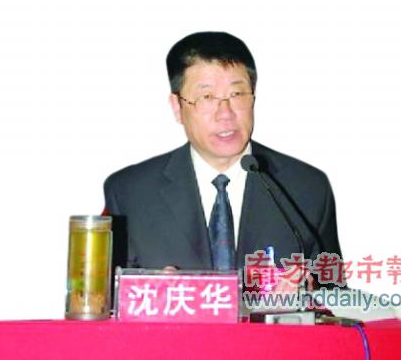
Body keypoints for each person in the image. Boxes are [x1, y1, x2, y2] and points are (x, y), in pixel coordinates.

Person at [103, 32, 342, 275]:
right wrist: (152, 292)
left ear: (253, 98)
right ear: (177, 107)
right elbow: (105, 292)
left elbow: (332, 288)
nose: (225, 113)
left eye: (236, 94)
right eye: (207, 97)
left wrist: (308, 291)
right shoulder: (129, 193)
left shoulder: (306, 188)